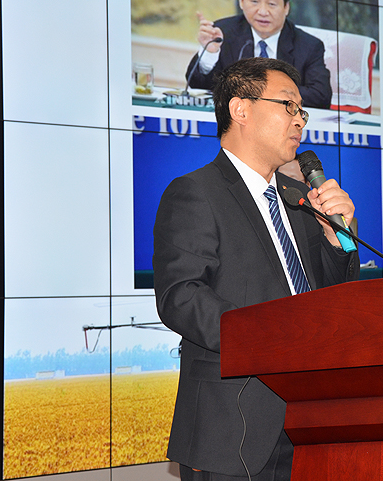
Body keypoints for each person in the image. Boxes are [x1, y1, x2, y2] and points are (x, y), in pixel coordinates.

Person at [154, 57, 360, 480]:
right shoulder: (195, 192)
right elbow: (182, 296)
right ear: (240, 109)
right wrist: (273, 340)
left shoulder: (298, 198)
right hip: (234, 426)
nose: (299, 120)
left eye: (302, 111)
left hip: (311, 420)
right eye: (288, 105)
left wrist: (336, 238)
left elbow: (330, 298)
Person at [186, 0, 332, 109]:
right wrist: (210, 54)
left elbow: (320, 97)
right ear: (241, 1)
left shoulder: (308, 45)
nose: (262, 12)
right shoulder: (223, 33)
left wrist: (264, 91)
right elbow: (197, 84)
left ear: (286, 7)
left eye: (271, 4)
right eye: (254, 1)